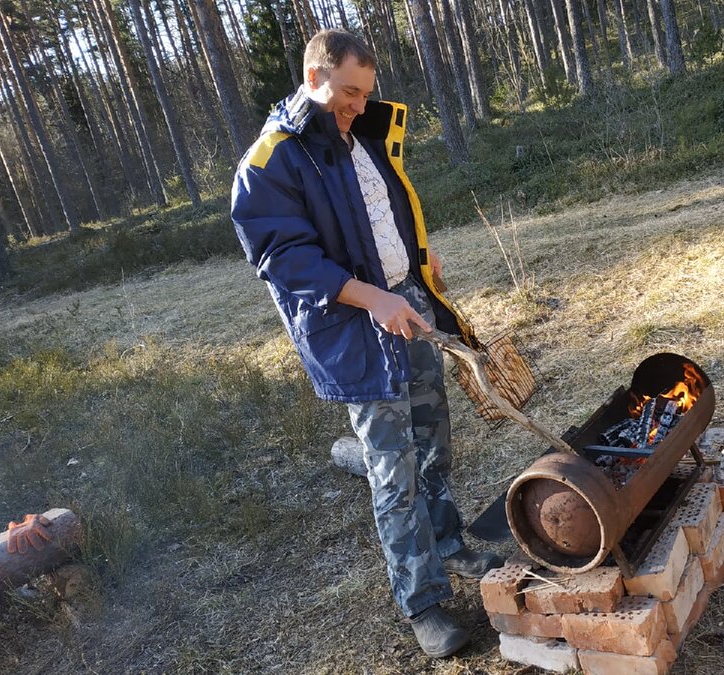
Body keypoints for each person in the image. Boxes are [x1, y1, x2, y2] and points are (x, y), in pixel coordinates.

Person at [231, 29, 502, 658]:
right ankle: (423, 600)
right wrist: (373, 298)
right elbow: (284, 260)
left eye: (365, 92)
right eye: (348, 92)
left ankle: (450, 543)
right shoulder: (271, 161)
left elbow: (388, 217)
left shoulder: (364, 135)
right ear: (314, 77)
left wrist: (417, 278)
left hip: (408, 304)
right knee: (392, 465)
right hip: (355, 328)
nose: (357, 103)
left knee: (433, 436)